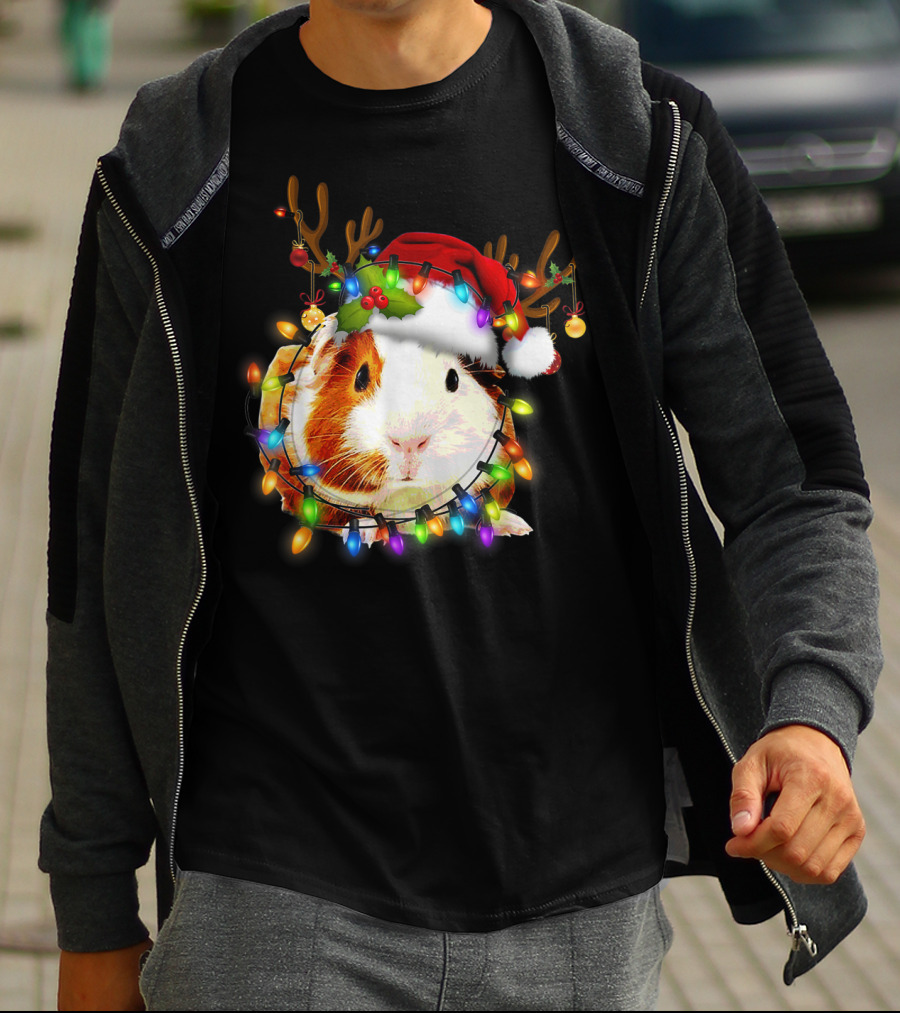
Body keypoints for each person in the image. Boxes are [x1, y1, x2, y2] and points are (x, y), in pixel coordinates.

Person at [41, 1, 881, 1010]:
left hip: (582, 898)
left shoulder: (635, 136)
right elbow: (91, 557)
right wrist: (93, 908)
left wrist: (813, 715)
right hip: (270, 893)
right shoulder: (175, 166)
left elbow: (797, 480)